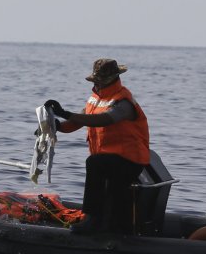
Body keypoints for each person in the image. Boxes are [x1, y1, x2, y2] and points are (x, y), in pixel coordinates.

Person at [45, 58, 150, 234]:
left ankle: (92, 219)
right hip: (112, 158)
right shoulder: (96, 99)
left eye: (101, 81)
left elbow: (104, 120)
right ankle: (115, 228)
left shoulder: (123, 102)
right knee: (111, 191)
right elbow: (79, 120)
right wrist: (57, 125)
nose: (98, 84)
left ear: (114, 78)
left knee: (95, 163)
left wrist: (66, 113)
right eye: (96, 81)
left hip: (130, 160)